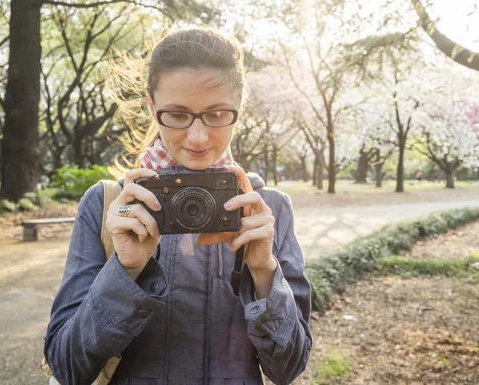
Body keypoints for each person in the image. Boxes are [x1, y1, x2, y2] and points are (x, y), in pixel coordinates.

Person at [44, 26, 312, 384]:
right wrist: (125, 271)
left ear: (238, 109)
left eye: (217, 114)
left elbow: (288, 368)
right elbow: (66, 367)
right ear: (153, 107)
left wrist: (264, 271)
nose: (198, 136)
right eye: (178, 114)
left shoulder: (268, 209)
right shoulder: (109, 206)